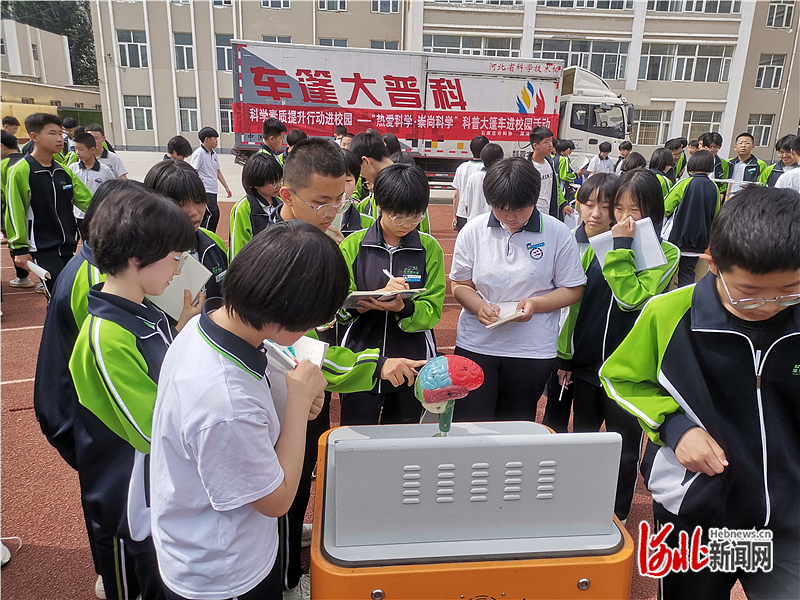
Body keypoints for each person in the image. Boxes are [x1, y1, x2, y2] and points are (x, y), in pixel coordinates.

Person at [599, 186, 800, 600]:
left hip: (789, 521)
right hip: (699, 515)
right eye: (749, 292)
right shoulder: (670, 312)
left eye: (790, 290)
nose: (771, 304)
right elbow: (621, 378)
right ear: (713, 263)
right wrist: (675, 426)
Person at [150, 221, 347, 600]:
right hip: (225, 572)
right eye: (314, 320)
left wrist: (295, 401)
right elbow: (275, 500)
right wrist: (299, 404)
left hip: (202, 544)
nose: (314, 330)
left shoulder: (205, 323)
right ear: (285, 316)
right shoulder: (224, 401)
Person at [69, 188, 202, 600]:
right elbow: (150, 431)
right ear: (135, 257)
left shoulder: (142, 311)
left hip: (157, 490)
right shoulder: (106, 335)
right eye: (174, 257)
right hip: (133, 504)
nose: (179, 271)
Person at [33, 179, 149, 600]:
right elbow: (107, 369)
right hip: (79, 414)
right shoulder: (92, 280)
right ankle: (116, 580)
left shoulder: (98, 268)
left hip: (87, 410)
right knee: (112, 509)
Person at [557, 169, 680, 521]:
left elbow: (631, 298)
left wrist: (621, 248)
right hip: (587, 367)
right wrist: (566, 356)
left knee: (624, 450)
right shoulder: (597, 247)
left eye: (635, 209)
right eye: (619, 208)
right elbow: (577, 307)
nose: (625, 217)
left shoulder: (665, 253)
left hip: (629, 376)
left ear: (653, 211)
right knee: (581, 440)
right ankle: (575, 508)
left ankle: (618, 514)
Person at [450, 157, 586, 422]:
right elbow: (460, 284)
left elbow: (572, 289)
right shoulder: (474, 231)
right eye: (500, 208)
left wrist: (536, 305)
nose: (509, 216)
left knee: (514, 425)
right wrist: (479, 306)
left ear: (535, 199)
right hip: (478, 344)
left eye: (519, 209)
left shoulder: (557, 233)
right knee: (469, 423)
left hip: (531, 350)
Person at [339, 163, 445, 426]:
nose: (406, 225)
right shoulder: (353, 245)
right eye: (399, 216)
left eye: (415, 217)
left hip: (413, 358)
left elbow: (432, 309)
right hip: (361, 359)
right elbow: (337, 307)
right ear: (380, 205)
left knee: (403, 442)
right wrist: (367, 302)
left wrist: (403, 308)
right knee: (356, 439)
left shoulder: (429, 248)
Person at [543, 173, 615, 433]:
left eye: (606, 207)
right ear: (578, 203)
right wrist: (564, 358)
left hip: (595, 358)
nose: (596, 213)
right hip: (557, 348)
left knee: (587, 428)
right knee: (553, 420)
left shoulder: (619, 251)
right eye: (589, 204)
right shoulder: (564, 240)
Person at [5, 113, 93, 293]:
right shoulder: (21, 171)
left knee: (74, 295)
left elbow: (89, 202)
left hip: (68, 246)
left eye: (60, 134)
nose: (59, 139)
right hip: (42, 248)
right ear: (34, 137)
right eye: (52, 134)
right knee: (60, 296)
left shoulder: (64, 171)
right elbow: (15, 211)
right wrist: (19, 248)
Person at [143, 160, 229, 299]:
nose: (193, 212)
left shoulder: (214, 242)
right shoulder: (142, 256)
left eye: (198, 201)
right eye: (181, 204)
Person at [665, 150, 721, 287]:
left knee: (667, 272)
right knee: (688, 273)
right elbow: (717, 215)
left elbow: (666, 207)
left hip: (677, 238)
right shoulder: (714, 188)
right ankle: (685, 304)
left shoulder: (685, 183)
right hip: (699, 241)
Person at [229, 153, 284, 259]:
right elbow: (238, 250)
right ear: (256, 183)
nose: (278, 185)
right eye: (272, 182)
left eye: (279, 179)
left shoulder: (281, 204)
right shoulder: (243, 208)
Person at [1, 131, 33, 288]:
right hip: (36, 212)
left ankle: (23, 277)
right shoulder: (30, 162)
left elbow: (1, 196)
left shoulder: (2, 166)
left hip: (13, 214)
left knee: (16, 246)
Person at [69, 132, 115, 234]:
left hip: (98, 214)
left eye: (81, 149)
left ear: (92, 150)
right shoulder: (72, 169)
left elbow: (111, 191)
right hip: (79, 215)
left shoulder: (105, 170)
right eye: (75, 149)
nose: (77, 152)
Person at [190, 126, 232, 233]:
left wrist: (226, 187)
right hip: (204, 190)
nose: (216, 141)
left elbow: (218, 172)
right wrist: (198, 182)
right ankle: (205, 236)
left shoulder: (214, 154)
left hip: (213, 190)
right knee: (212, 213)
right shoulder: (199, 153)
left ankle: (206, 235)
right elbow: (192, 171)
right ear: (206, 139)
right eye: (215, 139)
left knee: (209, 215)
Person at [529, 126, 572, 220]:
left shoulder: (550, 162)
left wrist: (563, 204)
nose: (551, 145)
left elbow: (556, 187)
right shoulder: (527, 166)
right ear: (535, 146)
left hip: (549, 213)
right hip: (532, 215)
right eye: (546, 142)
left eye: (551, 141)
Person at [451, 135, 488, 231]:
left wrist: (455, 217)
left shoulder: (462, 167)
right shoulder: (488, 169)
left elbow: (456, 195)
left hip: (463, 213)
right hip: (483, 213)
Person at [339, 148, 376, 237]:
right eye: (334, 181)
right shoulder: (311, 220)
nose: (340, 187)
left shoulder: (370, 224)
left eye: (347, 181)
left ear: (356, 183)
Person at [464, 142, 503, 221]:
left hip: (473, 221)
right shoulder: (501, 178)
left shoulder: (473, 178)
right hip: (493, 223)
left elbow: (466, 205)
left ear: (483, 160)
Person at [726, 132, 767, 197]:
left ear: (753, 146)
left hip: (747, 198)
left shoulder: (759, 164)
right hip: (728, 196)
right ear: (735, 147)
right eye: (740, 143)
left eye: (747, 143)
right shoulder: (729, 163)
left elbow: (762, 183)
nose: (743, 145)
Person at [699, 131, 729, 196]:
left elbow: (723, 185)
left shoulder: (723, 163)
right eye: (709, 146)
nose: (712, 149)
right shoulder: (697, 159)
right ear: (704, 146)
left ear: (720, 147)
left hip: (714, 194)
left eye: (715, 147)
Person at [555, 138, 581, 203]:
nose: (569, 150)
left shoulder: (555, 158)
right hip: (562, 187)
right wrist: (575, 175)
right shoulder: (564, 159)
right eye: (568, 149)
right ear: (563, 150)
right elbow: (564, 176)